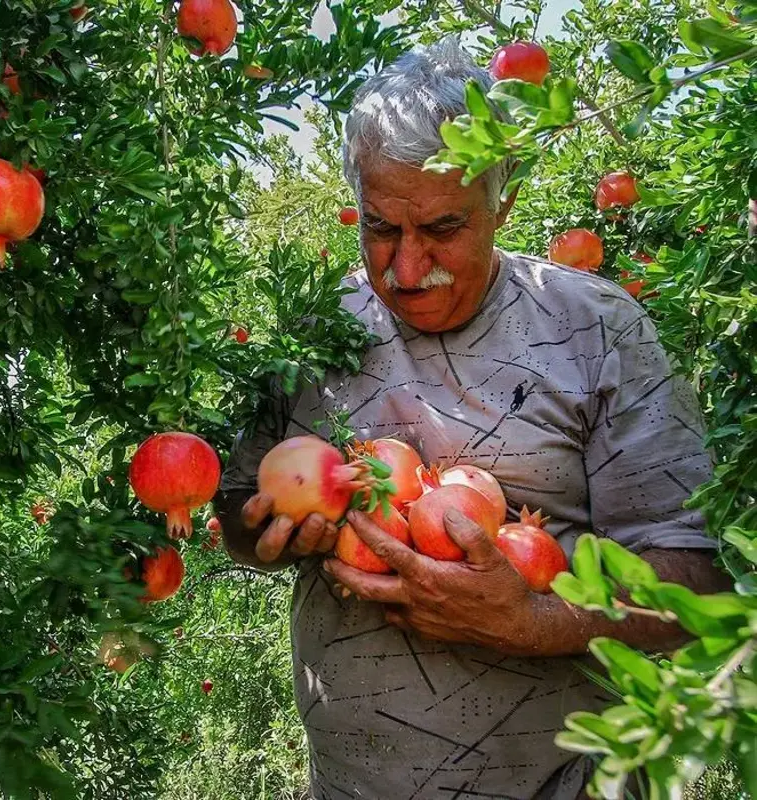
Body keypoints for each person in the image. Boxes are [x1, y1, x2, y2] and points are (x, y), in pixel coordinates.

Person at [216, 39, 731, 800]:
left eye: (443, 228)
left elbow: (700, 578)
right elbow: (236, 512)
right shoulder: (317, 331)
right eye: (380, 228)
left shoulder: (596, 330)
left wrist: (536, 619)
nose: (406, 268)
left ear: (504, 200)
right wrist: (268, 534)